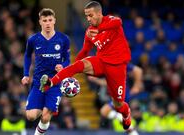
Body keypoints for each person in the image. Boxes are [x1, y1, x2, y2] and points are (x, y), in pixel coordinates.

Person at [40, 1, 132, 130]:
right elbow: (84, 51)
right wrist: (74, 68)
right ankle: (50, 82)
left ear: (99, 13)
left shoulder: (111, 20)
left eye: (90, 15)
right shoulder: (90, 31)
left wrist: (99, 29)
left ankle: (126, 114)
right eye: (86, 16)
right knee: (80, 65)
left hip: (117, 66)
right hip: (101, 62)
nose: (88, 19)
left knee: (118, 104)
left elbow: (119, 22)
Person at [21, 8, 70, 135]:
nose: (47, 23)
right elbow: (27, 56)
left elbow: (68, 59)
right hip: (38, 84)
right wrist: (26, 74)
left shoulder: (63, 39)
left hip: (55, 83)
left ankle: (48, 110)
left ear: (54, 21)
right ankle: (47, 107)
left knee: (46, 117)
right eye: (44, 20)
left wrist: (63, 66)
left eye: (50, 20)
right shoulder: (33, 39)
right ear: (40, 22)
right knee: (31, 116)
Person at [89, 64, 143, 135]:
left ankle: (121, 117)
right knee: (106, 112)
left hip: (121, 96)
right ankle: (132, 131)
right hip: (117, 96)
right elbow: (106, 83)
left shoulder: (120, 64)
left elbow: (138, 70)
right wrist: (95, 80)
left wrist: (137, 85)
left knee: (104, 111)